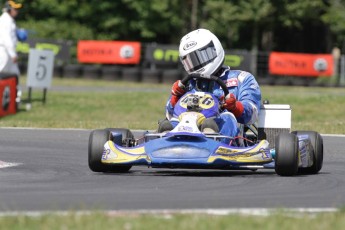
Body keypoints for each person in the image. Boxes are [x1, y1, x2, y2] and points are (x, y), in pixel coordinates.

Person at [159, 28, 261, 145]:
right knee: (172, 122)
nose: (196, 64)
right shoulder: (187, 84)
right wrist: (175, 97)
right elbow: (170, 114)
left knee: (226, 117)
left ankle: (211, 138)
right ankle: (167, 142)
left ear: (214, 50)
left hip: (229, 142)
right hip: (188, 131)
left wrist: (234, 107)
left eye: (199, 58)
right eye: (191, 61)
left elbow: (252, 115)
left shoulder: (241, 78)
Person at [0, 0, 22, 75]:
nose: (17, 11)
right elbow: (7, 39)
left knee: (15, 75)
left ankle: (16, 87)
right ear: (9, 9)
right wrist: (13, 54)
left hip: (7, 52)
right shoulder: (5, 20)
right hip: (4, 51)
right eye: (15, 9)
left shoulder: (9, 20)